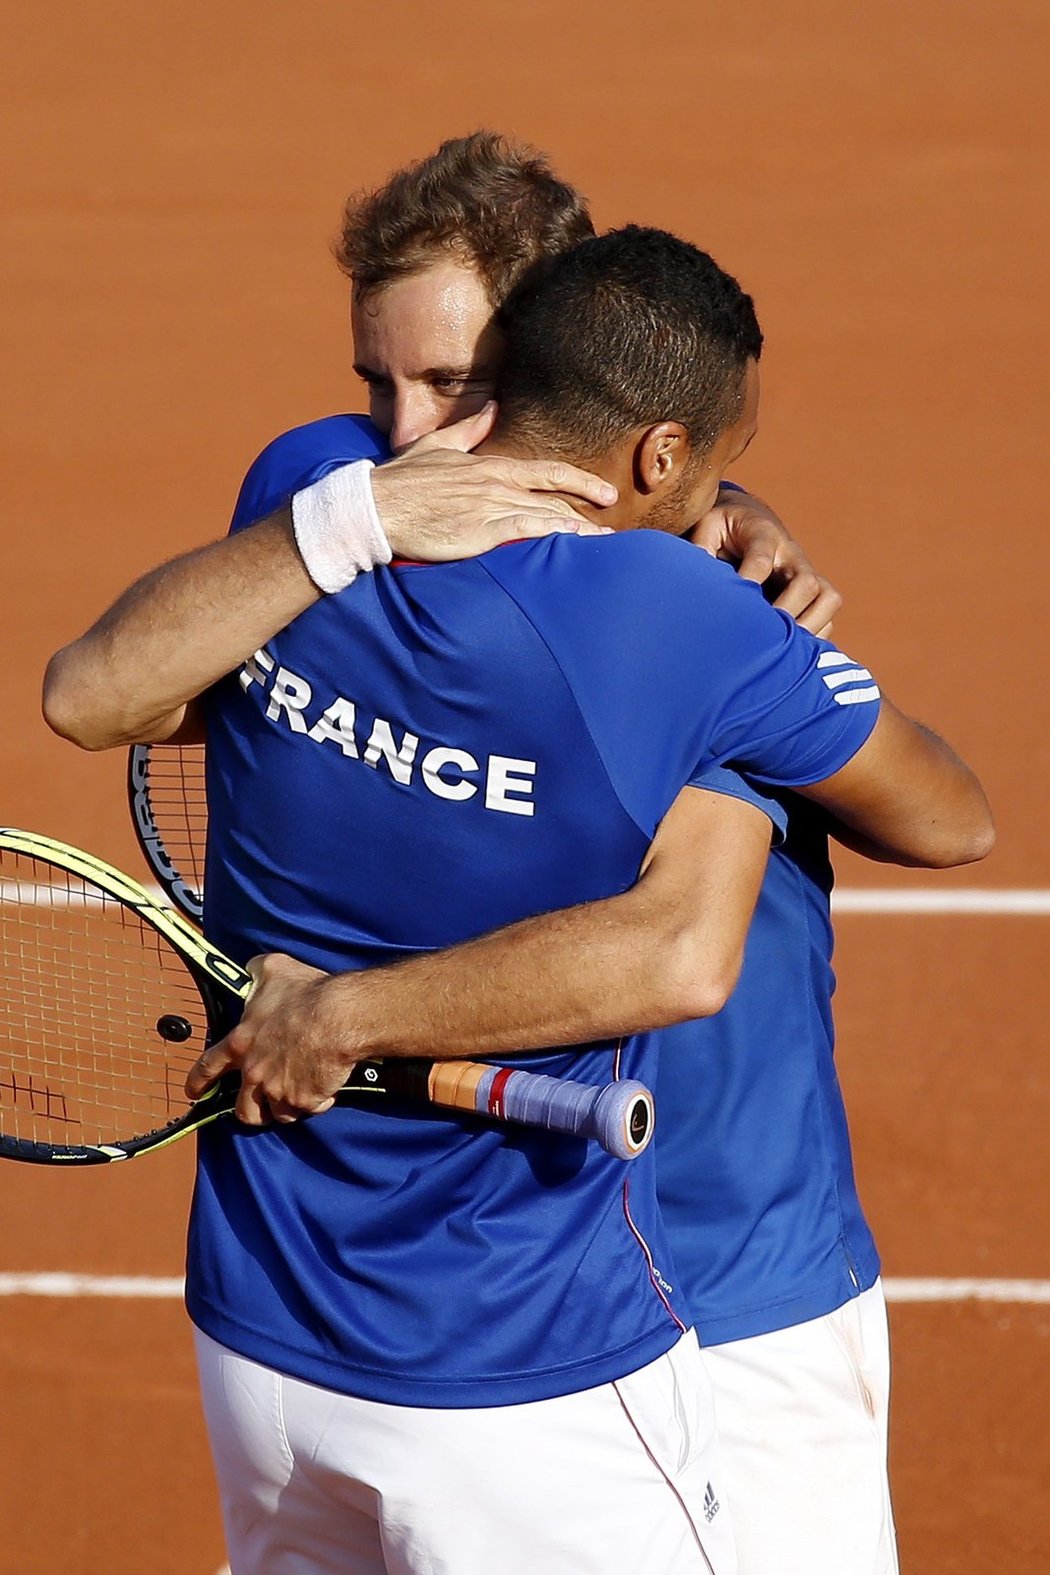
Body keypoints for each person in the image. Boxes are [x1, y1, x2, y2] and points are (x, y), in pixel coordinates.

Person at [45, 220, 991, 1575]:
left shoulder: (316, 509)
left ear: (528, 362)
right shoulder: (381, 519)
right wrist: (722, 629)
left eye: (451, 388)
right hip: (540, 1342)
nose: (414, 436)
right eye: (383, 390)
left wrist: (720, 548)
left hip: (657, 1284)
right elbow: (926, 825)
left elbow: (103, 694)